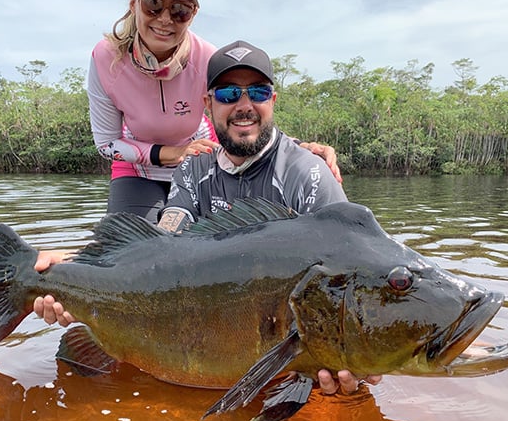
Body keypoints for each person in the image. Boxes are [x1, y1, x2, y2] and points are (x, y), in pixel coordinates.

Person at [34, 40, 382, 396]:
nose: (244, 106)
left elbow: (353, 268)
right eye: (229, 94)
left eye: (258, 93)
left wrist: (359, 350)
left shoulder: (309, 173)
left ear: (272, 102)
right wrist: (76, 265)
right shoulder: (195, 167)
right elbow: (161, 247)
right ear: (208, 104)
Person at [87, 0, 341, 223]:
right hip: (139, 169)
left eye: (179, 9)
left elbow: (242, 112)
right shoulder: (105, 58)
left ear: (193, 14)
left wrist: (298, 148)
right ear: (133, 3)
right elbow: (106, 144)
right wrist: (175, 153)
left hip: (200, 162)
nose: (165, 18)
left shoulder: (208, 59)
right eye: (153, 2)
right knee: (129, 251)